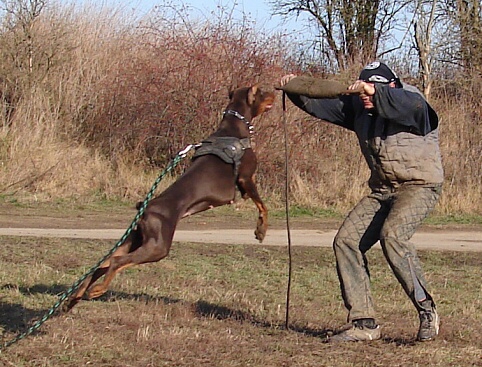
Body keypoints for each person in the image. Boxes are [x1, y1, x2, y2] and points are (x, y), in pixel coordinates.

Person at [280, 61, 444, 342]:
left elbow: (405, 104)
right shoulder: (360, 108)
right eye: (364, 91)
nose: (366, 97)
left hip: (419, 186)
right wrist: (294, 87)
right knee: (346, 241)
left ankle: (427, 310)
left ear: (391, 86)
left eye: (373, 91)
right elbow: (320, 104)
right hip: (382, 190)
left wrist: (373, 91)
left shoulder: (413, 102)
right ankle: (364, 323)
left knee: (393, 236)